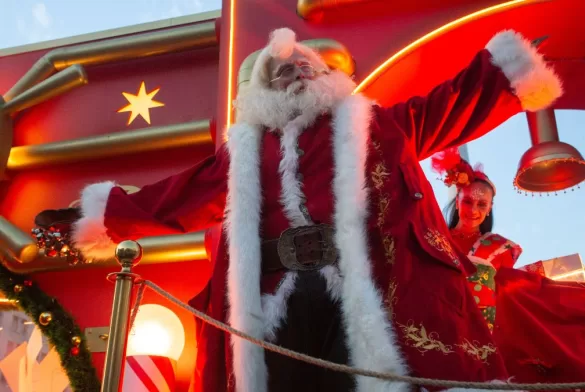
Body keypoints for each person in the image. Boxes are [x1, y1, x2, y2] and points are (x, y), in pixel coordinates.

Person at [32, 27, 562, 392]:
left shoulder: (376, 125)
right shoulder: (244, 151)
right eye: (280, 73)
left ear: (324, 75)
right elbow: (176, 197)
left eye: (303, 67)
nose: (294, 76)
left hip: (361, 289)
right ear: (263, 89)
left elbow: (448, 107)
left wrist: (502, 73)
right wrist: (92, 217)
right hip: (275, 300)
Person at [431, 148, 522, 332]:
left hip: (481, 335)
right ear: (457, 201)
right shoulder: (435, 238)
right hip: (435, 325)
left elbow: (510, 297)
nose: (473, 211)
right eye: (467, 202)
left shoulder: (501, 248)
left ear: (490, 208)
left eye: (481, 204)